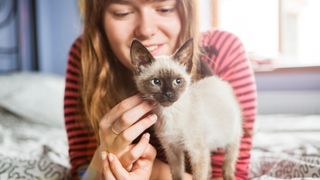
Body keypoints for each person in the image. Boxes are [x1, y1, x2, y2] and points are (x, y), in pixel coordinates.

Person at [64, 0, 257, 179]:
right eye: (123, 13)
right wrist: (101, 160)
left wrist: (156, 172)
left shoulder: (222, 49)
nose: (146, 30)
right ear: (98, 18)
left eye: (164, 9)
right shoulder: (86, 57)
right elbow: (82, 174)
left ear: (185, 10)